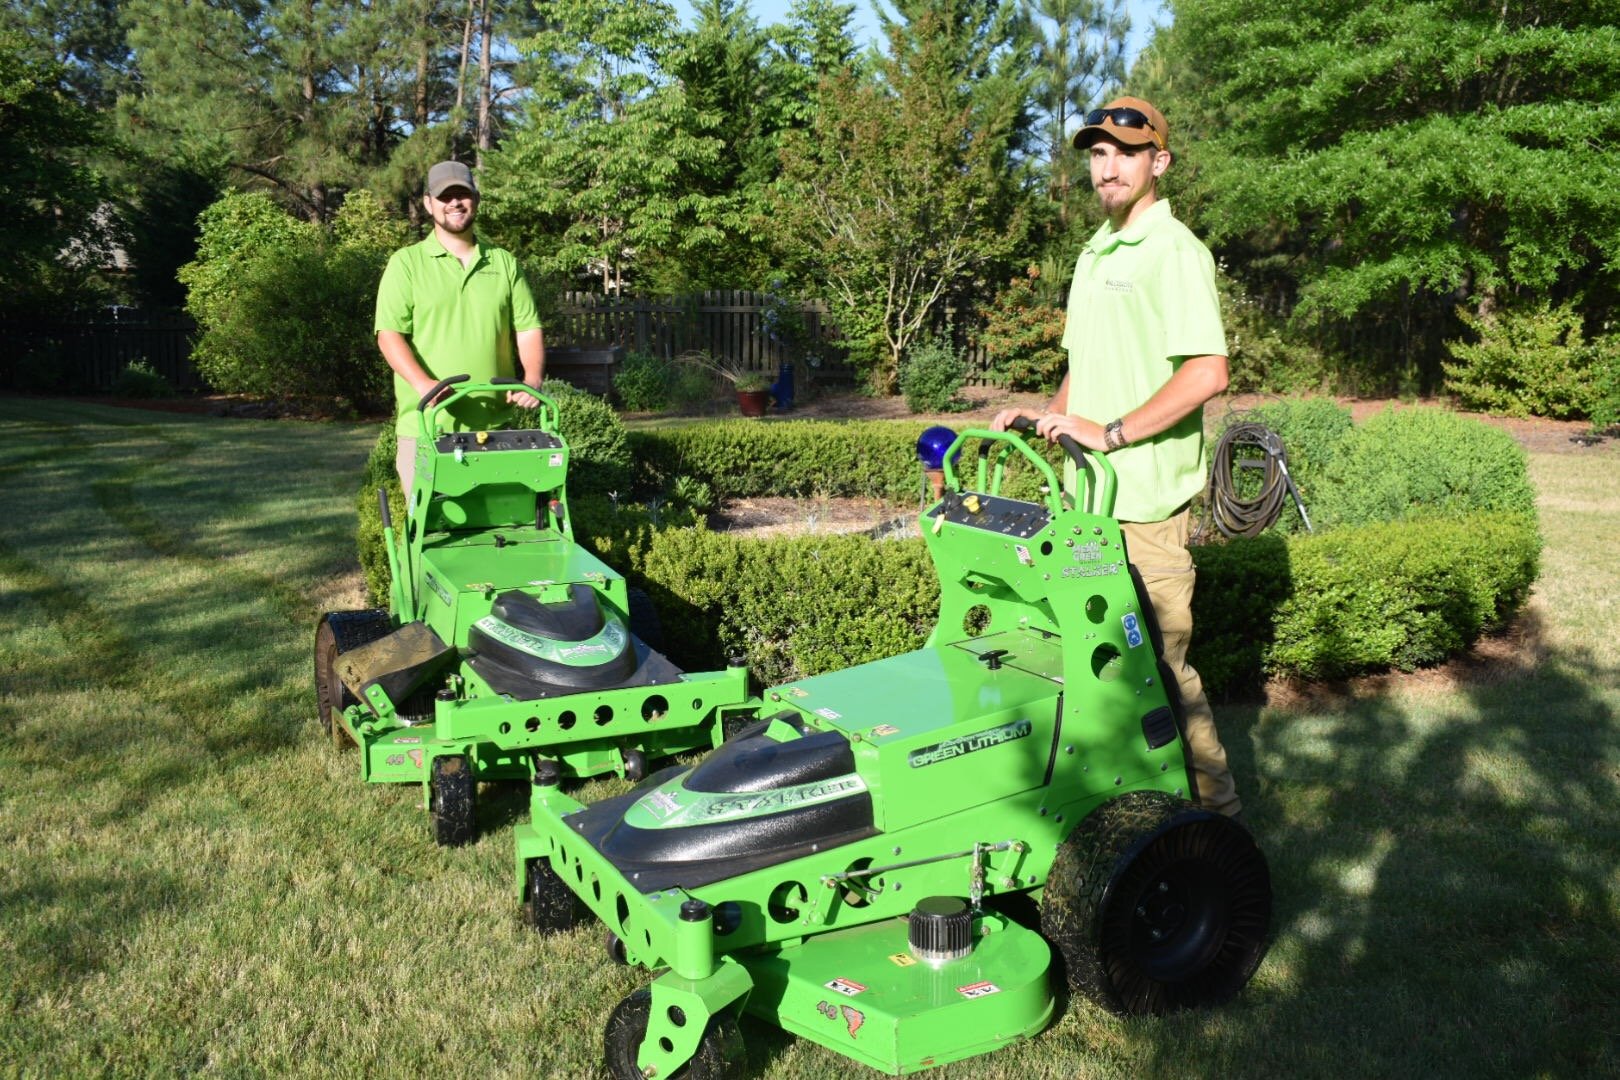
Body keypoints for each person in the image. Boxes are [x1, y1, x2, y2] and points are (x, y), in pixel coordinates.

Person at [992, 96, 1242, 819]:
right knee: (1093, 669)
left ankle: (1221, 836)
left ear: (1158, 161)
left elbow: (1207, 372)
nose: (1107, 167)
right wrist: (1053, 414)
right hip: (1088, 506)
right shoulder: (1096, 251)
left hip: (1145, 511)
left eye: (1125, 152)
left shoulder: (1174, 252)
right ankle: (1127, 812)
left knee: (1160, 677)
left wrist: (1113, 433)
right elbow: (1087, 367)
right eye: (1097, 154)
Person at [375, 160, 545, 488]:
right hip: (427, 427)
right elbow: (389, 335)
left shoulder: (503, 262)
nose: (454, 202)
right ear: (428, 204)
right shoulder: (406, 264)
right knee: (432, 533)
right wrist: (424, 384)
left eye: (462, 194)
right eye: (444, 196)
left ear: (476, 200)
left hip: (495, 429)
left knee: (502, 527)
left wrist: (533, 379)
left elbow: (527, 328)